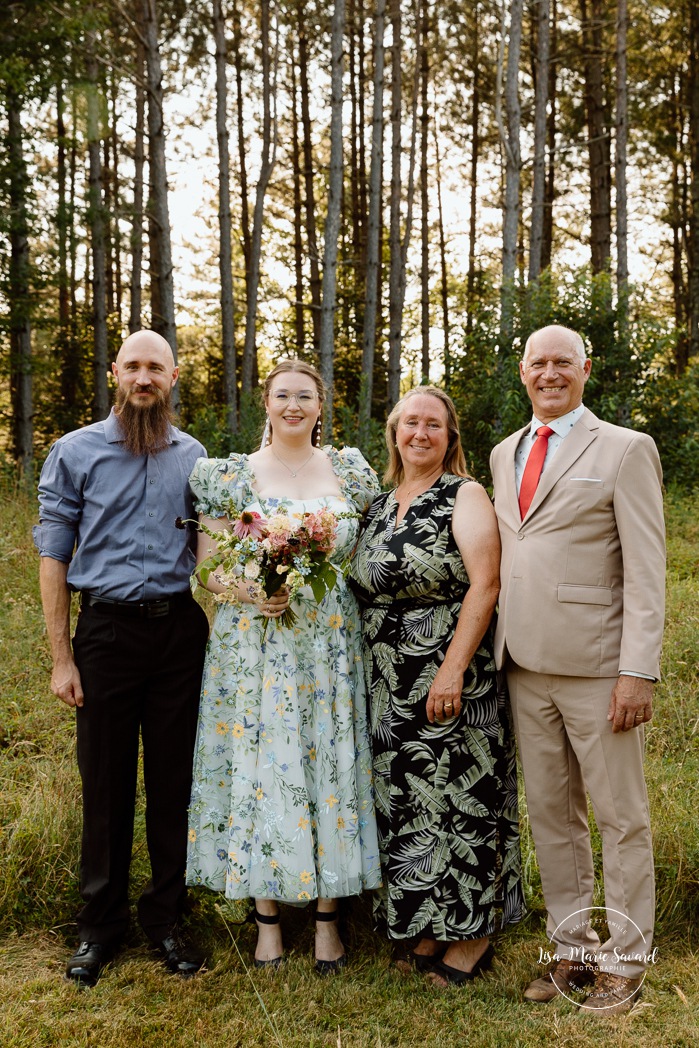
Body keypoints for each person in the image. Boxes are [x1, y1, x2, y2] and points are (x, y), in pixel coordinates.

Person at [490, 324, 666, 1016]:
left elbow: (647, 572)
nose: (549, 372)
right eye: (537, 362)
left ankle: (624, 958)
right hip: (524, 665)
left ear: (584, 369)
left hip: (599, 668)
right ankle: (571, 946)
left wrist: (637, 671)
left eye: (562, 361)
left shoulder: (623, 448)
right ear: (523, 373)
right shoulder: (506, 453)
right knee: (551, 815)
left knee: (620, 817)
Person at [186, 359, 381, 974]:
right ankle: (266, 921)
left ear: (322, 407)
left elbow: (370, 552)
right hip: (255, 645)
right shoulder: (229, 476)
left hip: (330, 645)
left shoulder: (349, 471)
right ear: (264, 404)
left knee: (329, 762)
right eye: (282, 396)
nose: (293, 405)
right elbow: (209, 567)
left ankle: (329, 919)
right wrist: (246, 591)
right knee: (260, 764)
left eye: (305, 396)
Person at [33, 329, 210, 987]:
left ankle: (167, 919)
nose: (143, 377)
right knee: (104, 785)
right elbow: (52, 556)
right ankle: (98, 928)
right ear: (115, 373)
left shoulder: (194, 456)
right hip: (104, 635)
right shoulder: (75, 453)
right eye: (133, 366)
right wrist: (62, 658)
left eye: (155, 368)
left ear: (172, 377)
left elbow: (210, 556)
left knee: (172, 785)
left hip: (177, 636)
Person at [349, 387, 523, 987]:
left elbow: (486, 584)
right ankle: (427, 923)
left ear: (450, 438)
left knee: (460, 801)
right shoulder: (376, 504)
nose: (420, 434)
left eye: (434, 425)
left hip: (451, 672)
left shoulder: (464, 494)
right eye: (410, 423)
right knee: (408, 803)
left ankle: (474, 935)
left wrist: (450, 670)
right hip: (388, 679)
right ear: (395, 432)